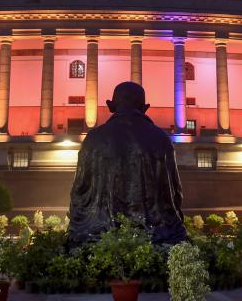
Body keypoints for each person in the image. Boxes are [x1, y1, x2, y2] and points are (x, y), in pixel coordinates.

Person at [67, 81, 187, 246]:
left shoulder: (93, 139)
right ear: (145, 107)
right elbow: (174, 193)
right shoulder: (161, 139)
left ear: (111, 106)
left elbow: (79, 190)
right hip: (155, 235)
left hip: (97, 233)